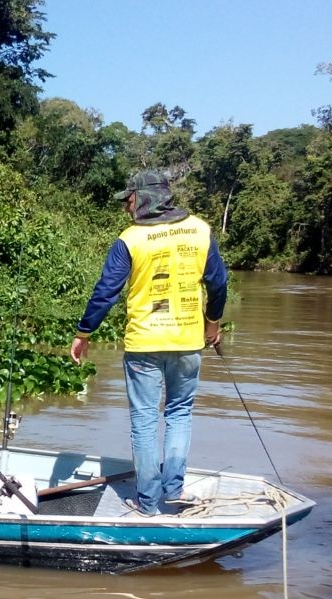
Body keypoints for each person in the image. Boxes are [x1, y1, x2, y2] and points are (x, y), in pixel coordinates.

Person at [70, 169, 228, 517]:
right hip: (188, 341)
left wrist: (84, 333)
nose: (126, 207)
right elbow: (218, 283)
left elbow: (105, 291)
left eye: (128, 199)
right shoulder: (201, 230)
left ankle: (147, 501)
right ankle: (173, 492)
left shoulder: (130, 239)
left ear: (143, 198)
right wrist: (212, 323)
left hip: (144, 342)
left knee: (144, 419)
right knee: (179, 414)